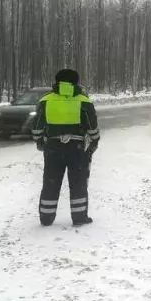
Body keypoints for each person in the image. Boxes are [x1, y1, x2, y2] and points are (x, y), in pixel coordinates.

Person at [31, 68, 100, 226]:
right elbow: (92, 126)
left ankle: (46, 218)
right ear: (76, 82)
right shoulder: (84, 101)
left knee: (51, 182)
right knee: (78, 183)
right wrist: (95, 140)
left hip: (53, 147)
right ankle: (79, 217)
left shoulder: (45, 100)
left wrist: (39, 141)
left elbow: (36, 126)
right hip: (77, 148)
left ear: (57, 82)